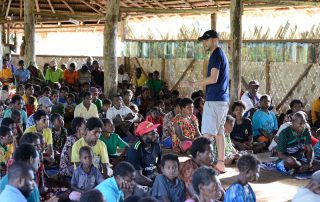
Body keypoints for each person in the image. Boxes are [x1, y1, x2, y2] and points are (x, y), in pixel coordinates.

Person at [181, 30, 229, 173]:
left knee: (207, 134)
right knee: (219, 134)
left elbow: (213, 78)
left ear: (215, 39)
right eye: (203, 41)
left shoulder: (216, 55)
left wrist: (193, 84)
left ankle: (200, 163)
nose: (204, 43)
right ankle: (220, 163)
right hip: (221, 100)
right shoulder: (221, 55)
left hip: (215, 99)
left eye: (206, 40)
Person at [126, 121, 162, 187]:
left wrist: (165, 179)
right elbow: (137, 177)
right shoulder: (135, 149)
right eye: (152, 134)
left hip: (151, 177)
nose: (157, 135)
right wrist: (156, 185)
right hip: (136, 182)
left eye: (156, 131)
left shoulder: (156, 145)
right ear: (143, 136)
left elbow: (159, 165)